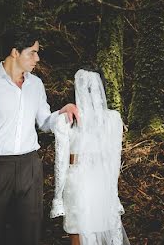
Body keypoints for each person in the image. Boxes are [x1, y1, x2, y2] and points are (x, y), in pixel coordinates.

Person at [0, 28, 80, 245]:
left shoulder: (35, 84)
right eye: (32, 52)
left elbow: (45, 122)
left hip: (30, 166)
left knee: (30, 232)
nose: (38, 58)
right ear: (15, 52)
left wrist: (63, 112)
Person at [50, 68, 129, 245]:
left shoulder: (67, 120)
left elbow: (62, 162)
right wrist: (112, 190)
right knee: (92, 226)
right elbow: (114, 161)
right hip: (100, 181)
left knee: (78, 227)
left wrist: (58, 198)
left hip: (78, 181)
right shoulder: (113, 119)